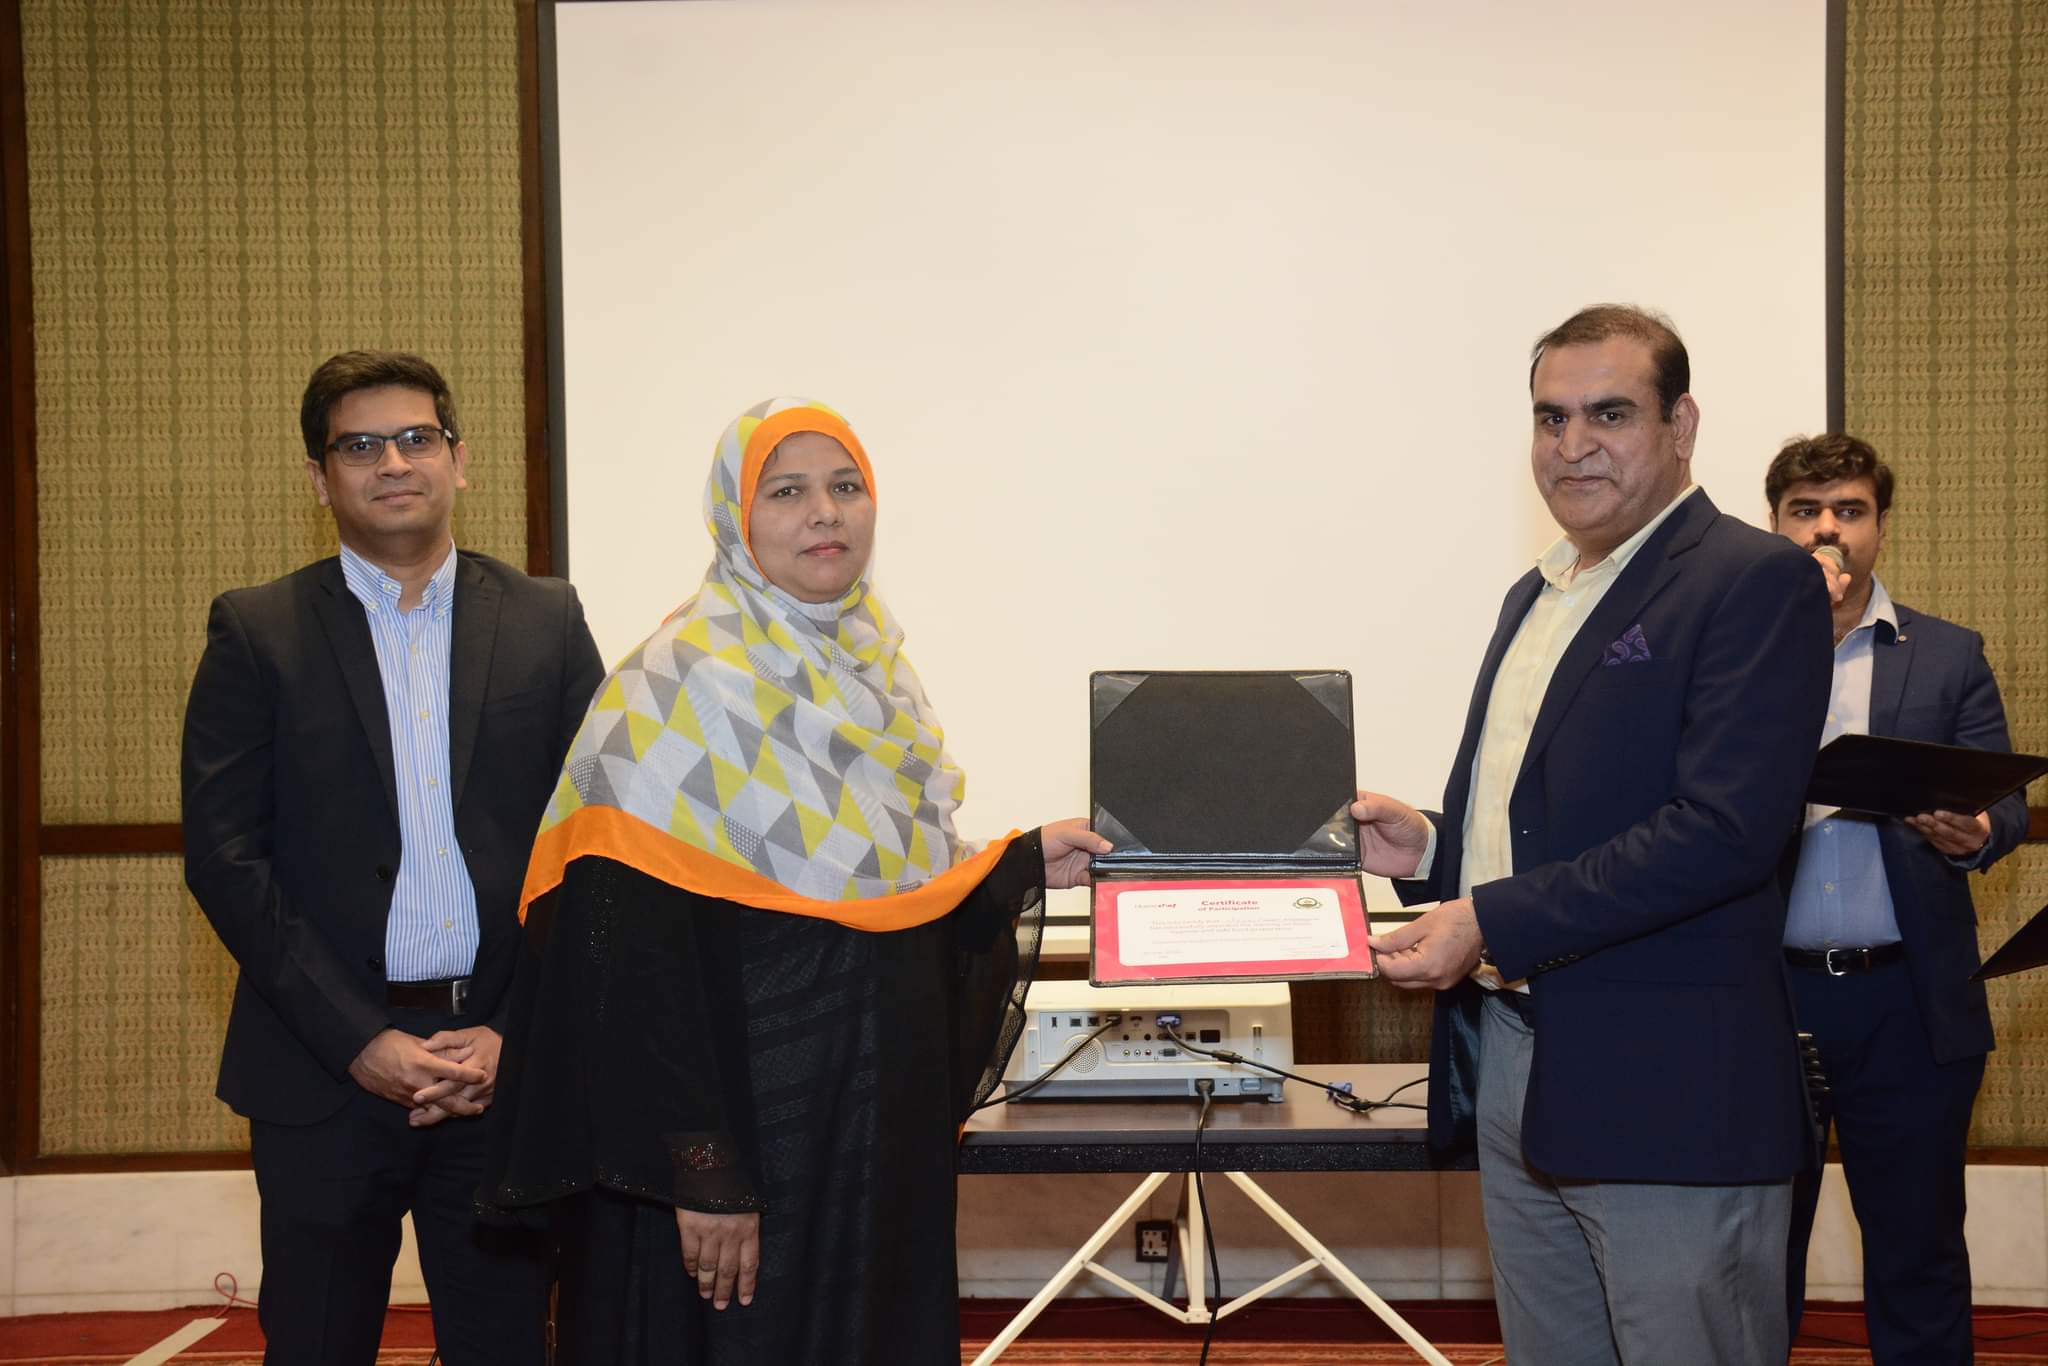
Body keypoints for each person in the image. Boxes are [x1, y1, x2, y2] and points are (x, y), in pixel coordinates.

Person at [482, 397, 1107, 1365]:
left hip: (866, 1136)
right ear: (735, 518)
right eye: (786, 491)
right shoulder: (670, 687)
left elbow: (885, 905)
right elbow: (633, 961)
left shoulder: (878, 679)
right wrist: (703, 1166)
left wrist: (1020, 862)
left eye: (846, 486)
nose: (825, 512)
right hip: (745, 1141)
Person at [1352, 306, 1834, 1365]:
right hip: (1515, 1059)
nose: (1571, 446)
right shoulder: (1536, 592)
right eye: (1549, 418)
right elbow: (1549, 814)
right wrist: (1431, 850)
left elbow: (1723, 832)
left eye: (1608, 414)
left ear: (1680, 425)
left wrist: (1487, 918)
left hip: (1670, 1083)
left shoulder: (1750, 579)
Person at [181, 351, 606, 1366]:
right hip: (322, 1074)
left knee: (507, 1344)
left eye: (417, 438)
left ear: (459, 459)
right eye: (360, 446)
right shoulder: (259, 630)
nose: (393, 463)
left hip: (499, 1069)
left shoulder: (546, 621)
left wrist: (513, 1031)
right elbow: (226, 856)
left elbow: (595, 841)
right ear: (319, 477)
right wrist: (358, 1038)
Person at [1767, 433, 2028, 1361]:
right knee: (1754, 1253)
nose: (1827, 529)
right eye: (1805, 511)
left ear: (1880, 526)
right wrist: (1788, 634)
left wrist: (1980, 830)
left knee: (1918, 1250)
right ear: (1775, 525)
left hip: (1907, 999)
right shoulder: (1739, 654)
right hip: (1766, 998)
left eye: (1849, 510)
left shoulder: (1948, 654)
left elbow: (2003, 798)